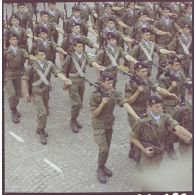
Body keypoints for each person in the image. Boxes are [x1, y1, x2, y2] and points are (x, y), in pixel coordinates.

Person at [90, 71, 139, 183]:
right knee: (104, 149)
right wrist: (102, 103)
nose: (110, 86)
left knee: (107, 148)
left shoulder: (113, 92)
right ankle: (99, 169)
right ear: (101, 82)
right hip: (98, 125)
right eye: (107, 83)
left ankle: (102, 166)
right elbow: (93, 114)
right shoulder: (95, 95)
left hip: (109, 124)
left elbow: (124, 103)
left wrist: (135, 116)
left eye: (111, 83)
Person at [125, 61, 178, 162]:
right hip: (134, 112)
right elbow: (128, 101)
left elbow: (158, 88)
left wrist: (169, 94)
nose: (145, 74)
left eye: (146, 71)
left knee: (143, 133)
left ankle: (136, 150)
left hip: (145, 111)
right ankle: (135, 151)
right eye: (143, 72)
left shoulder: (147, 80)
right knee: (136, 132)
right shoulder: (130, 83)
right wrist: (137, 91)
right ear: (136, 71)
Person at [22, 49, 72, 145]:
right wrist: (26, 93)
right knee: (43, 112)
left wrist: (65, 79)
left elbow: (57, 72)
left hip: (45, 91)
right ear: (36, 56)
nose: (43, 56)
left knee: (44, 111)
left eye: (44, 54)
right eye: (41, 55)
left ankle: (39, 127)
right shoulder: (31, 67)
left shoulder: (49, 64)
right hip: (36, 92)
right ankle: (41, 131)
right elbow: (25, 80)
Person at [130, 95, 192, 171]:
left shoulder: (165, 117)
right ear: (149, 107)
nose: (160, 109)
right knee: (147, 172)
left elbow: (177, 127)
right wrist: (144, 150)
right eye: (156, 107)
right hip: (147, 152)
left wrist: (191, 136)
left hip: (159, 151)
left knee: (156, 170)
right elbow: (133, 137)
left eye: (160, 106)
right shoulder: (142, 121)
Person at [61, 38, 105, 133]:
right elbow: (63, 69)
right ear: (74, 47)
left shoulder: (85, 55)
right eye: (79, 46)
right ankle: (72, 121)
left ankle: (75, 119)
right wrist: (65, 81)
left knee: (80, 102)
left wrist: (97, 66)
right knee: (76, 103)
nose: (81, 48)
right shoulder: (70, 57)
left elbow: (90, 62)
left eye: (82, 46)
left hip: (82, 82)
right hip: (72, 82)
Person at [4, 33, 28, 123]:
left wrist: (29, 56)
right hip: (8, 75)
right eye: (13, 39)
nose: (15, 41)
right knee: (12, 94)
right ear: (9, 41)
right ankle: (13, 111)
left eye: (16, 39)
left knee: (18, 94)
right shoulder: (6, 52)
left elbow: (26, 54)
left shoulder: (21, 50)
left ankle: (15, 107)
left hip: (18, 74)